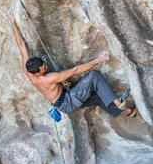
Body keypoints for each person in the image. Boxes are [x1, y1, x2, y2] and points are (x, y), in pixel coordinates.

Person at [7, 9, 137, 118]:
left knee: (98, 96)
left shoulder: (28, 71)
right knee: (94, 76)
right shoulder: (49, 78)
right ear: (38, 73)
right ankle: (118, 102)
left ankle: (128, 111)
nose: (46, 66)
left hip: (65, 103)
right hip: (69, 101)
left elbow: (22, 46)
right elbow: (75, 70)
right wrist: (98, 59)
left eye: (44, 64)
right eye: (43, 68)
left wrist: (13, 22)